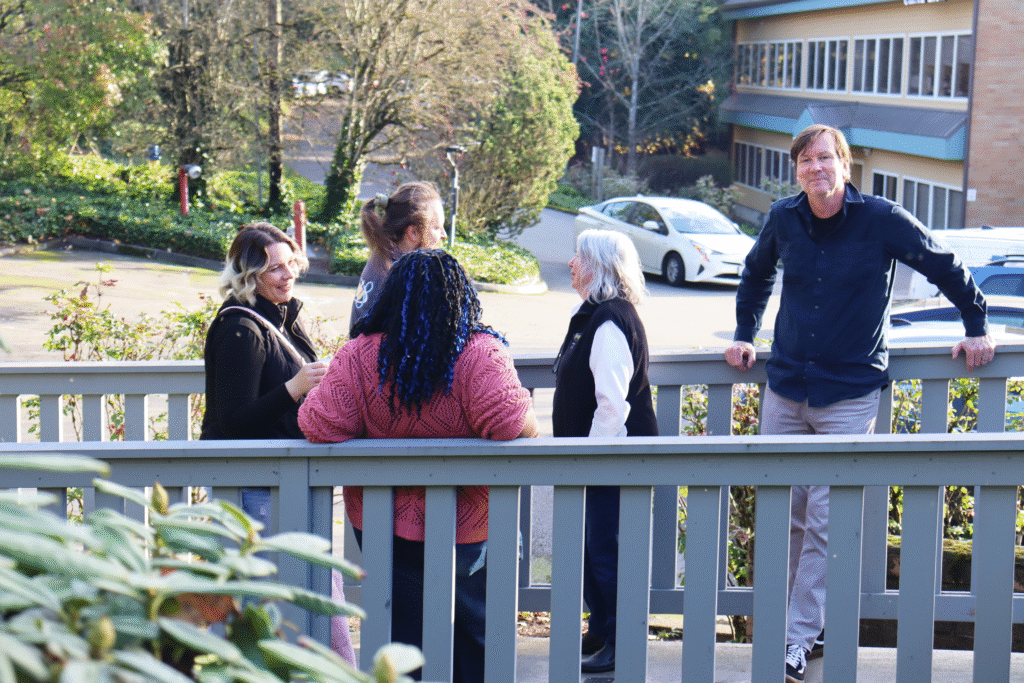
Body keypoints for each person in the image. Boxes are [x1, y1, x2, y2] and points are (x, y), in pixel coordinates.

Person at [723, 124, 995, 683]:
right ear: (796, 169)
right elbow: (755, 275)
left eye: (826, 158)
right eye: (805, 160)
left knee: (824, 520)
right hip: (787, 387)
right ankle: (806, 628)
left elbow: (944, 265)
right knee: (787, 514)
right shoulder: (783, 218)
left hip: (848, 394)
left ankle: (793, 642)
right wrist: (744, 332)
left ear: (845, 165)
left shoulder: (882, 220)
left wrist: (977, 326)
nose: (815, 168)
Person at [299, 249, 539, 683]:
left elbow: (319, 422)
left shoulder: (359, 356)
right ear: (461, 297)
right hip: (470, 527)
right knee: (475, 636)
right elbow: (512, 424)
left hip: (382, 526)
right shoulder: (479, 353)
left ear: (391, 298)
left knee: (401, 642)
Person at [199, 222, 354, 665]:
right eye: (275, 269)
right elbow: (231, 423)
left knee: (313, 588)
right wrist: (295, 386)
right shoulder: (239, 330)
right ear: (248, 276)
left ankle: (323, 670)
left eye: (291, 265)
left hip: (285, 481)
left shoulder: (280, 316)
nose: (288, 276)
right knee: (266, 599)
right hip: (255, 489)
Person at [551, 229, 659, 674]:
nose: (571, 264)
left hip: (613, 462)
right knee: (593, 550)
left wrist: (589, 464)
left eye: (578, 258)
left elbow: (613, 406)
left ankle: (620, 639)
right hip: (600, 462)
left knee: (607, 552)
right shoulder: (593, 315)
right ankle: (601, 629)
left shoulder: (611, 320)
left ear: (597, 267)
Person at [349, 181, 446, 333]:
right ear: (413, 233)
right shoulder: (403, 276)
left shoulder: (384, 255)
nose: (444, 235)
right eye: (436, 228)